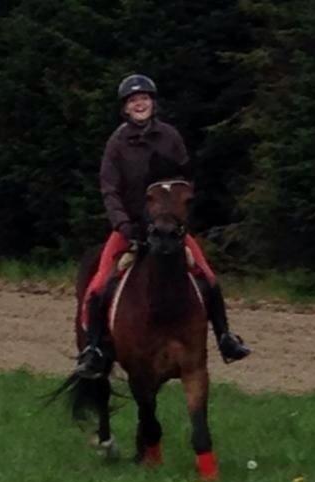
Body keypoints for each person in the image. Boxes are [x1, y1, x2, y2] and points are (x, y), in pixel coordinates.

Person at [75, 73, 250, 378]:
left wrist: (179, 217)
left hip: (168, 227)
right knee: (98, 286)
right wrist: (123, 224)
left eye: (144, 98)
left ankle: (225, 338)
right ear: (125, 109)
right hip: (130, 227)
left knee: (207, 277)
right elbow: (109, 189)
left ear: (152, 103)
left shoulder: (170, 137)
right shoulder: (116, 144)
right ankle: (93, 348)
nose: (139, 104)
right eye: (133, 101)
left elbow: (185, 181)